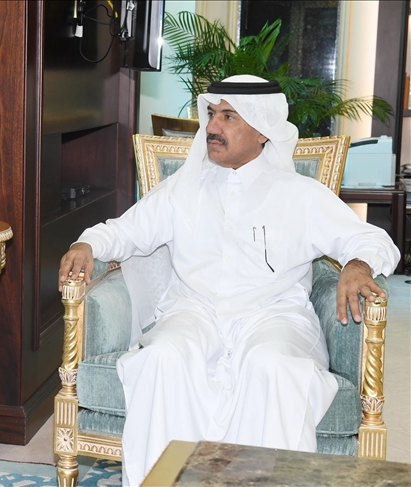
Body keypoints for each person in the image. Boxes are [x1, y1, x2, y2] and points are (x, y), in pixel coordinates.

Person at [58, 75, 400, 486]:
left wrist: (358, 264)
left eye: (228, 116)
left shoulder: (300, 194)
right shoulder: (183, 189)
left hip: (272, 316)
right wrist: (88, 243)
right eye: (211, 114)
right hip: (194, 312)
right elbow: (125, 230)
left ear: (262, 130)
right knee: (161, 359)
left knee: (273, 367)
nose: (213, 126)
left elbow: (372, 240)